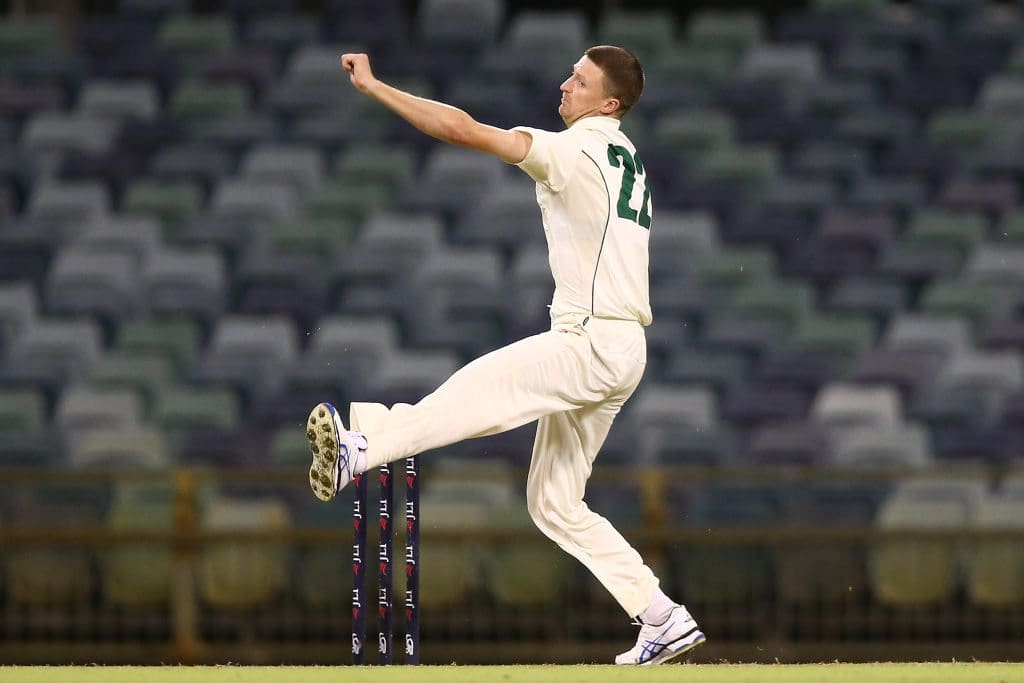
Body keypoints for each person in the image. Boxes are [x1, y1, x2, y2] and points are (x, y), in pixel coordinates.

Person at [306, 45, 705, 666]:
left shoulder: (577, 149)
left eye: (580, 80)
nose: (564, 85)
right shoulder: (625, 154)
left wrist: (378, 88)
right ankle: (661, 616)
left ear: (609, 102)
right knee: (554, 502)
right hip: (624, 349)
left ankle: (364, 448)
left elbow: (461, 129)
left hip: (590, 341)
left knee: (480, 390)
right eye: (569, 72)